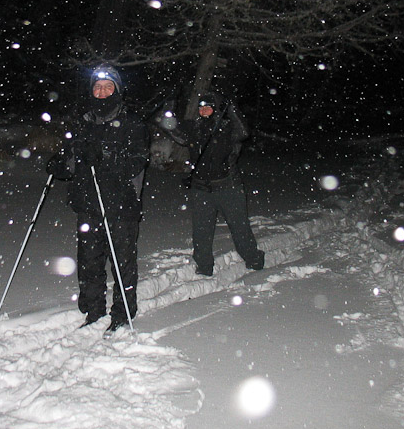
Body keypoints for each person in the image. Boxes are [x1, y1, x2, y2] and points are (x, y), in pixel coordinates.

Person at [46, 64, 149, 334]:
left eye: (108, 87)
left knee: (122, 263)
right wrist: (61, 164)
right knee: (89, 262)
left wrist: (104, 156)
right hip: (88, 204)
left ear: (117, 90)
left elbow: (136, 162)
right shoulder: (84, 122)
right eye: (97, 87)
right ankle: (93, 311)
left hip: (121, 205)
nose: (102, 92)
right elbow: (72, 158)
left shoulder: (132, 123)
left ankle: (123, 313)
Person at [160, 91, 265, 276]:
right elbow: (171, 129)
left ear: (215, 109)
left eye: (208, 107)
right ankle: (204, 266)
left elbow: (243, 132)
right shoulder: (194, 128)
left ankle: (253, 258)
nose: (204, 110)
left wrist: (232, 109)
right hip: (201, 188)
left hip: (228, 187)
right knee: (201, 231)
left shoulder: (227, 127)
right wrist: (169, 106)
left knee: (239, 228)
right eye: (201, 107)